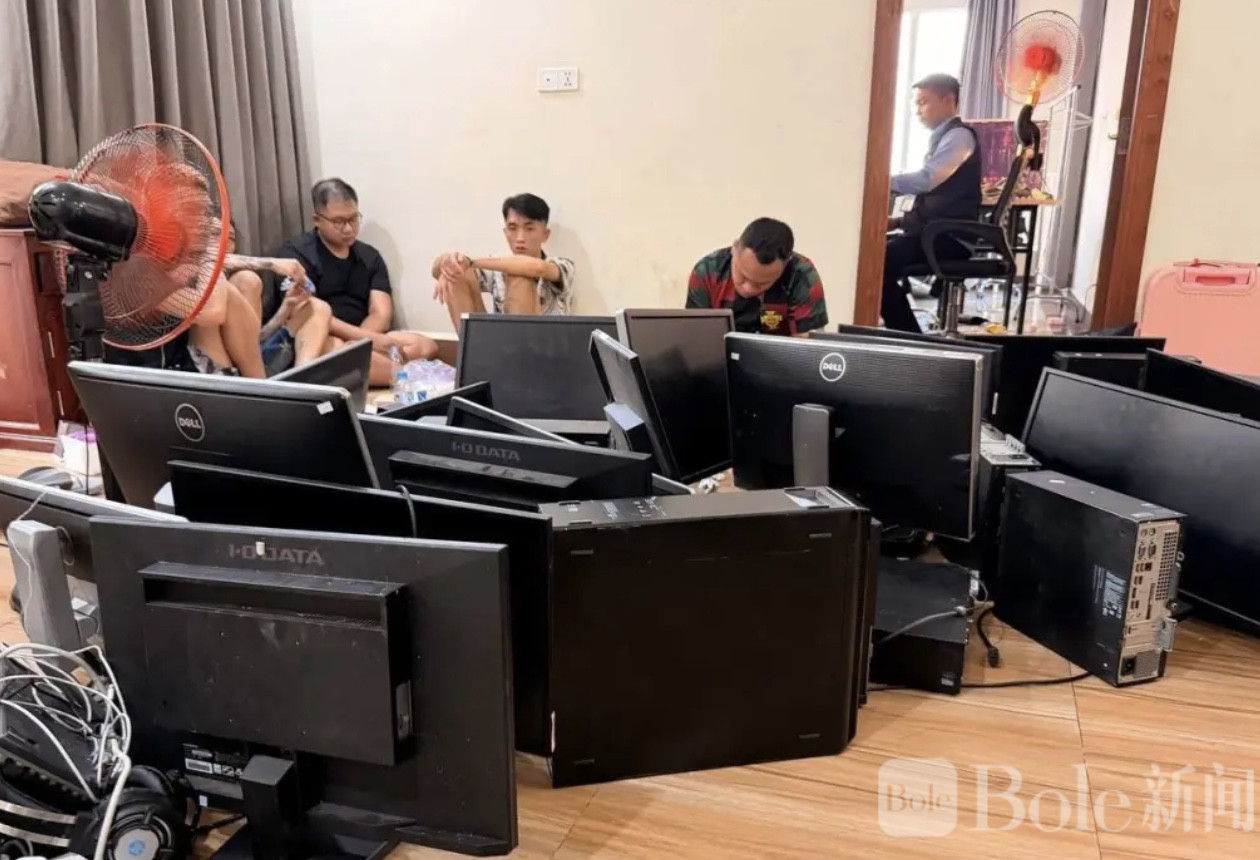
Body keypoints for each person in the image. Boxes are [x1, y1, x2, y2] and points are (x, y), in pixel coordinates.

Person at [276, 178, 437, 385]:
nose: (348, 229)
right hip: (322, 336)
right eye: (339, 222)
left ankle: (379, 371)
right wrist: (365, 340)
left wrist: (364, 340)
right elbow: (309, 313)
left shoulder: (369, 256)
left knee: (425, 346)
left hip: (365, 334)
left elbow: (381, 313)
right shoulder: (295, 253)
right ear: (317, 220)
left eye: (353, 219)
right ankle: (409, 376)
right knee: (336, 352)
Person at [883, 73, 982, 333]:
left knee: (876, 265)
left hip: (948, 238)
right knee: (876, 256)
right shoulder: (944, 138)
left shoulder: (959, 137)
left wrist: (882, 182)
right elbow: (936, 200)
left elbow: (928, 180)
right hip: (937, 232)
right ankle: (906, 333)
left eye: (923, 102)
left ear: (948, 100)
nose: (917, 110)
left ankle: (910, 338)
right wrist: (899, 222)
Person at [432, 193, 575, 332]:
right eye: (513, 228)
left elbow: (537, 268)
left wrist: (470, 261)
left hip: (545, 344)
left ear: (545, 234)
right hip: (497, 343)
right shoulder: (497, 265)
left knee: (520, 276)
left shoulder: (562, 265)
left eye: (529, 229)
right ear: (505, 232)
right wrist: (449, 264)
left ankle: (516, 348)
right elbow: (436, 270)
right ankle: (474, 346)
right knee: (457, 274)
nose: (520, 238)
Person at [221, 220, 333, 376]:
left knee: (318, 308)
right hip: (227, 374)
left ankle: (303, 380)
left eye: (231, 238)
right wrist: (271, 264)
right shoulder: (195, 272)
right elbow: (206, 260)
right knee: (247, 279)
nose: (225, 242)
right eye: (216, 234)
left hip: (256, 361)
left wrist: (286, 308)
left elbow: (255, 342)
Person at [685, 217, 827, 336]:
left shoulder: (802, 277)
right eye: (742, 275)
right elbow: (697, 337)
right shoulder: (708, 271)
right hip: (719, 357)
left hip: (782, 359)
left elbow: (808, 348)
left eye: (761, 284)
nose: (748, 289)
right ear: (734, 249)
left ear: (785, 265)